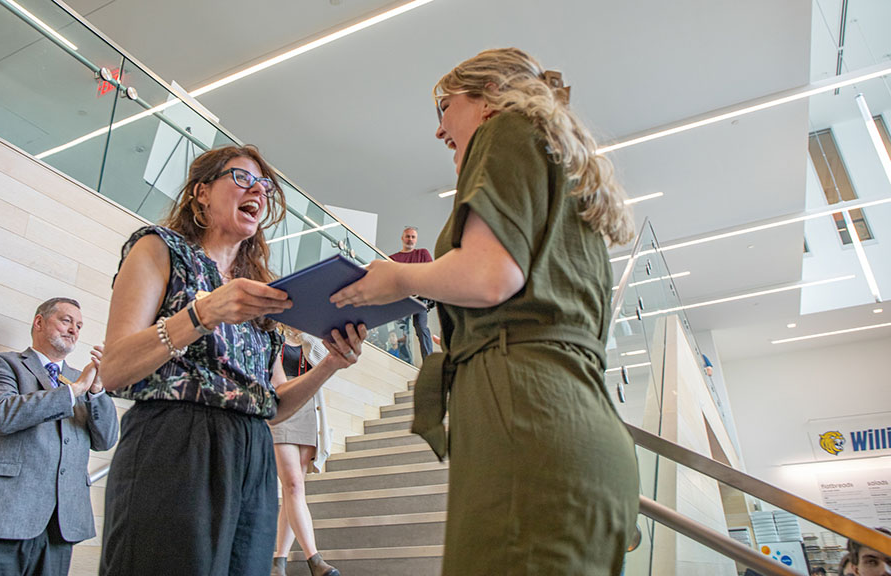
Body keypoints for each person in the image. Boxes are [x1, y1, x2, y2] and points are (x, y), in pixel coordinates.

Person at [331, 48, 639, 575]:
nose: (439, 131)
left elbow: (488, 275)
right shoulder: (557, 166)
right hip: (570, 423)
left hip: (526, 417)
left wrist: (397, 278)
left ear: (488, 96)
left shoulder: (506, 127)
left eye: (444, 107)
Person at [98, 145, 367, 576]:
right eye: (242, 178)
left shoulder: (260, 289)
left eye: (264, 186)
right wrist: (203, 314)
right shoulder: (158, 248)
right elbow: (113, 367)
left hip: (253, 454)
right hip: (175, 442)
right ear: (202, 192)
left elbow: (274, 404)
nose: (258, 191)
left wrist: (330, 364)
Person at [0, 297, 119, 576]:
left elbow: (105, 440)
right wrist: (75, 390)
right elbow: (0, 415)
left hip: (59, 529)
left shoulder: (81, 381)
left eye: (79, 326)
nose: (74, 330)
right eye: (66, 320)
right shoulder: (2, 364)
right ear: (39, 322)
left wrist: (96, 390)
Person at [270, 326, 337, 576]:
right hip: (280, 408)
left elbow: (323, 364)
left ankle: (279, 562)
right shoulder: (273, 335)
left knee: (294, 490)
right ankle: (315, 559)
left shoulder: (311, 338)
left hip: (308, 410)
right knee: (294, 486)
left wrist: (305, 335)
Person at [389, 226, 435, 359]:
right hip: (401, 299)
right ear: (402, 238)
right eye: (408, 236)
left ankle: (428, 361)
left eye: (413, 237)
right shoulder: (392, 258)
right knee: (399, 326)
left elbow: (431, 273)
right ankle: (401, 356)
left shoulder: (422, 253)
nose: (410, 239)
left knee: (421, 328)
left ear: (416, 239)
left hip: (419, 298)